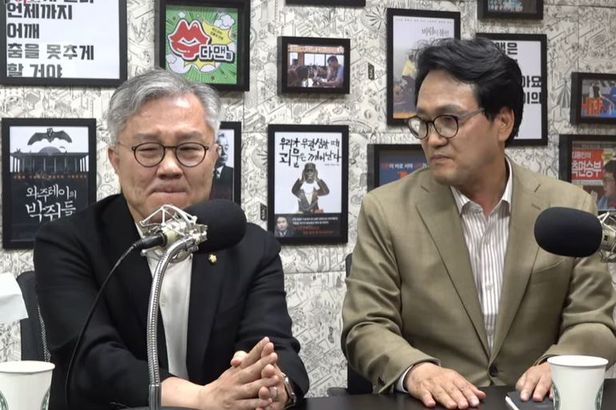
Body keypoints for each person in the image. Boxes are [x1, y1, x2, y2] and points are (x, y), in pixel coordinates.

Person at [342, 37, 616, 410]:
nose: (432, 139)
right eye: (423, 123)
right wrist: (417, 371)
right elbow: (365, 326)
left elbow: (595, 322)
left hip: (534, 403)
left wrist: (560, 363)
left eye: (449, 121)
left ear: (502, 122)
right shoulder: (386, 211)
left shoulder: (568, 206)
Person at [34, 68, 309, 410]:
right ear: (115, 160)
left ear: (214, 157)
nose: (170, 167)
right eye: (148, 150)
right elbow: (92, 359)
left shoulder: (251, 246)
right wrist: (201, 398)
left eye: (189, 149)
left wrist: (269, 383)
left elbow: (277, 346)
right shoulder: (67, 242)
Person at [209, 131, 234, 201]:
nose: (224, 152)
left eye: (226, 147)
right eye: (219, 148)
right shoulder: (203, 175)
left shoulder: (233, 173)